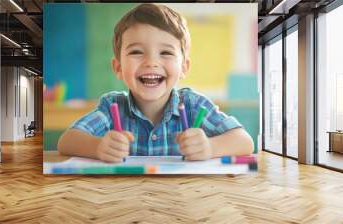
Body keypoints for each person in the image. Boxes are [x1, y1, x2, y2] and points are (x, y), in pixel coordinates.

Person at [58, 3, 254, 163]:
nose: (151, 62)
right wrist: (98, 147)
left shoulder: (194, 104)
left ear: (184, 67)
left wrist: (210, 147)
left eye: (166, 52)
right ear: (117, 67)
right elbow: (66, 141)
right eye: (136, 52)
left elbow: (245, 141)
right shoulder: (112, 106)